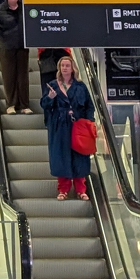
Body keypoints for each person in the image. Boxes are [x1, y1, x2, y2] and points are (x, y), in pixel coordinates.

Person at [41, 55, 92, 199]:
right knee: (61, 156)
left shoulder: (80, 86)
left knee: (79, 156)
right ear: (59, 68)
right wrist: (50, 97)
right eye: (62, 65)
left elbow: (89, 106)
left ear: (72, 68)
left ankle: (81, 190)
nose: (64, 68)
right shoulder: (53, 85)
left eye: (67, 65)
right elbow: (43, 104)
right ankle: (63, 190)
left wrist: (89, 122)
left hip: (78, 126)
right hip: (59, 126)